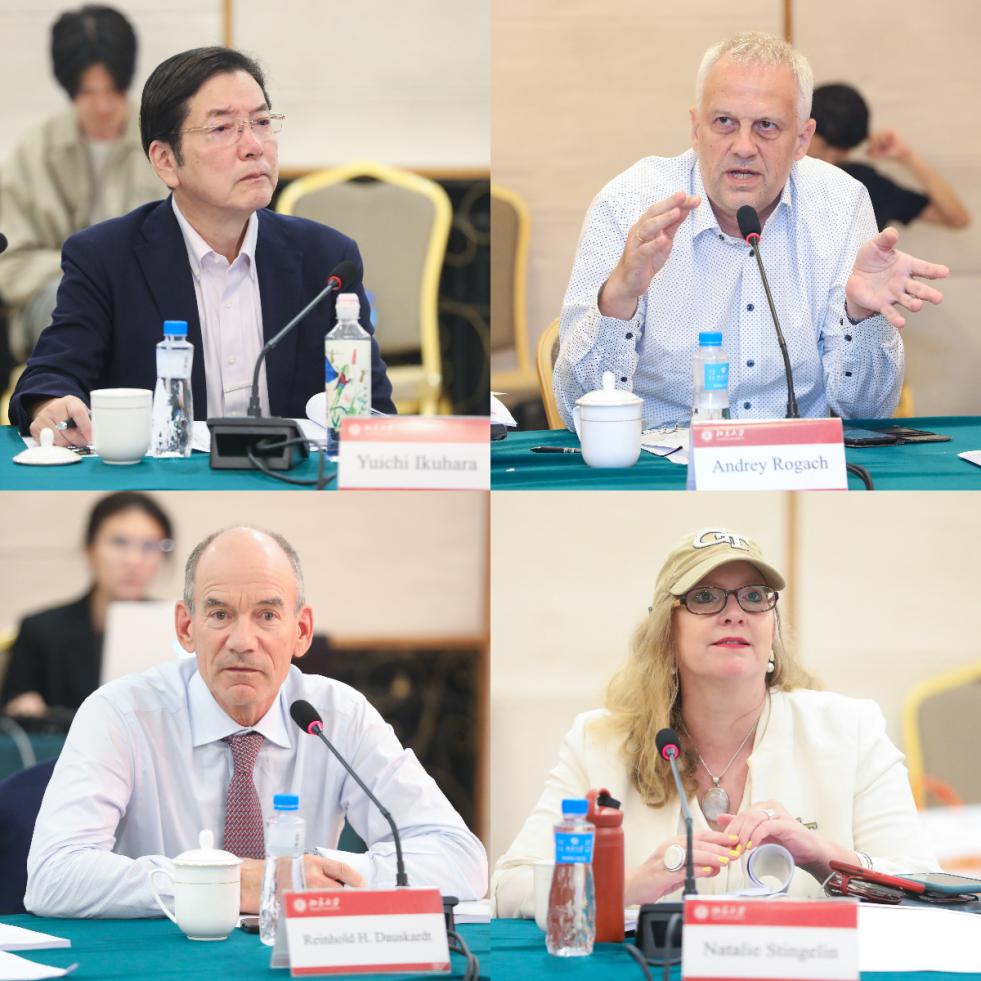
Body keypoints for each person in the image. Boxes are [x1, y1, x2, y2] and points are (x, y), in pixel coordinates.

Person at [25, 526, 487, 917]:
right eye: (220, 614)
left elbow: (460, 859)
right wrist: (235, 883)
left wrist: (317, 875)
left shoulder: (336, 716)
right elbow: (52, 877)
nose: (242, 641)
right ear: (186, 628)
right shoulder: (120, 714)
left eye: (267, 615)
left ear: (301, 631)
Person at [492, 528, 937, 915]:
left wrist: (823, 857)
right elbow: (509, 887)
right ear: (667, 629)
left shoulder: (851, 729)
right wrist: (629, 887)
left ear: (771, 628)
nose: (735, 612)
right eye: (705, 597)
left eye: (754, 596)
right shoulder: (599, 742)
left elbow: (927, 888)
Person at [552, 32, 949, 429]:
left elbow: (869, 415)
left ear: (802, 139)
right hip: (660, 459)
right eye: (724, 122)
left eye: (766, 126)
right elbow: (575, 412)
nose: (743, 146)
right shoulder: (628, 205)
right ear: (696, 129)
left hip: (796, 460)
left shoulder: (842, 205)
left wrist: (860, 316)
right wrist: (619, 297)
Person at [9, 46, 396, 446]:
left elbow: (375, 411)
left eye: (262, 122)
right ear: (165, 160)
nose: (254, 145)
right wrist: (50, 404)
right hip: (163, 481)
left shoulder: (326, 260)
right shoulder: (105, 258)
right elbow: (52, 375)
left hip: (292, 480)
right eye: (222, 128)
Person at [0, 6, 161, 358]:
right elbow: (10, 263)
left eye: (112, 90)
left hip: (145, 295)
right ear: (69, 88)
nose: (102, 106)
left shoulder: (161, 145)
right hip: (54, 296)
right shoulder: (35, 152)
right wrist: (84, 271)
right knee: (68, 304)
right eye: (88, 92)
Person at [0, 492, 173, 719]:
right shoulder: (40, 630)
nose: (134, 560)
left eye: (150, 546)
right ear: (90, 549)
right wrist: (23, 709)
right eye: (119, 542)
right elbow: (11, 715)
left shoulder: (177, 628)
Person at [809, 83, 970, 232]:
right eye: (823, 147)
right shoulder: (794, 179)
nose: (829, 160)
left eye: (839, 153)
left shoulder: (865, 183)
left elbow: (957, 218)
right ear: (806, 129)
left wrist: (907, 156)